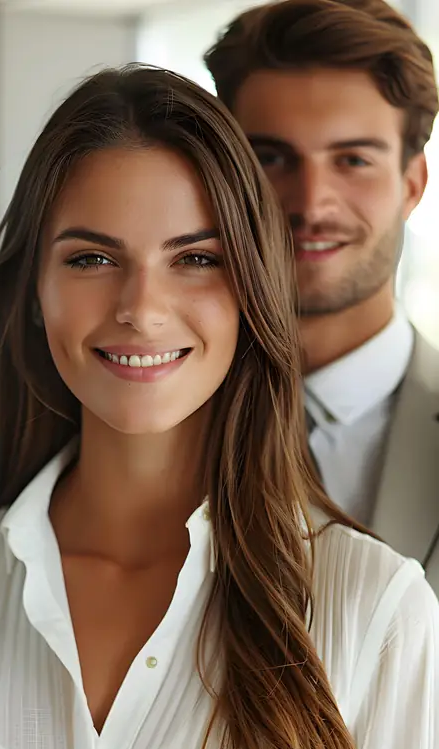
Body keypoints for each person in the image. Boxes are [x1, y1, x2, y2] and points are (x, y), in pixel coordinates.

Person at [0, 65, 438, 749]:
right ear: (34, 290)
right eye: (92, 258)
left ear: (253, 287)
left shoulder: (376, 608)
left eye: (196, 259)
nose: (142, 310)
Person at [205, 0, 439, 592]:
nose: (311, 204)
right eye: (271, 157)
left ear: (412, 185)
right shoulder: (136, 416)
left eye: (353, 160)